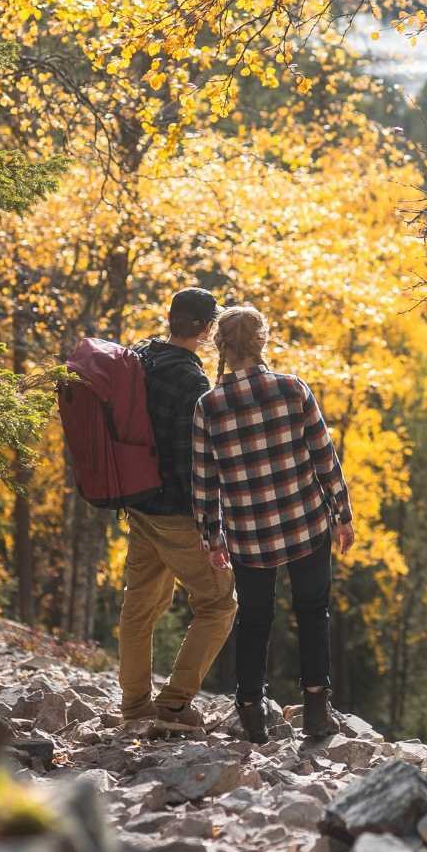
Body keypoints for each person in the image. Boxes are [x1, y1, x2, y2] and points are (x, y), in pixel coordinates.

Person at [191, 305, 354, 743]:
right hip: (304, 523)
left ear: (219, 346)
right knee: (312, 612)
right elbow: (325, 457)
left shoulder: (209, 407)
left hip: (249, 535)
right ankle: (317, 711)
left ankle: (250, 712)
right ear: (262, 342)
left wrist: (213, 537)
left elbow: (204, 482)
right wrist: (342, 514)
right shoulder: (292, 390)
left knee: (255, 620)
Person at [113, 287, 238, 727]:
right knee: (219, 604)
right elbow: (192, 460)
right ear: (205, 329)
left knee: (140, 605)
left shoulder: (141, 356)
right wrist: (211, 525)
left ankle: (133, 707)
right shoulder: (190, 380)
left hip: (138, 503)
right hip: (175, 511)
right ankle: (173, 704)